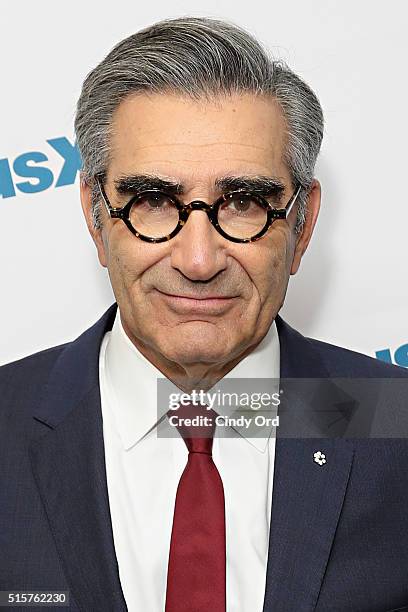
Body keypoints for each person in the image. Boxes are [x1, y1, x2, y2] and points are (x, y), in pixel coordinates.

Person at [1, 16, 408, 612]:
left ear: (303, 222)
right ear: (94, 215)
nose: (197, 259)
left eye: (244, 203)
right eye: (153, 201)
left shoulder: (393, 424)